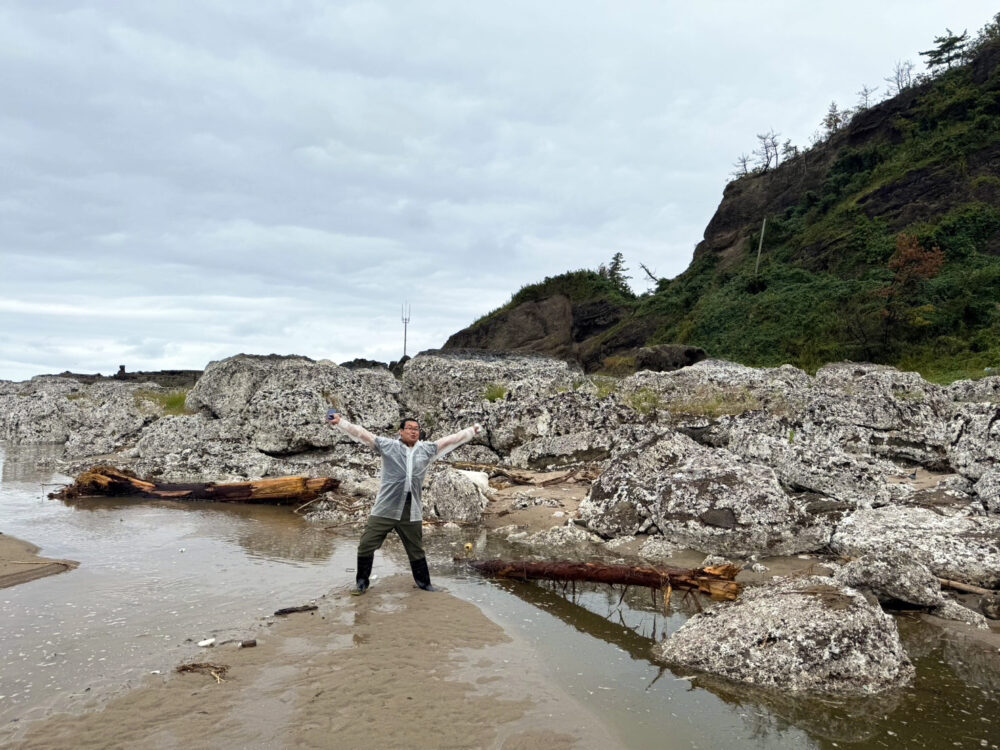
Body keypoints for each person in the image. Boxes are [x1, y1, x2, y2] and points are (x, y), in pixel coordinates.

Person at [327, 412, 481, 594]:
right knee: (366, 544)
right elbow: (362, 434)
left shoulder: (427, 450)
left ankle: (425, 584)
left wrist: (471, 431)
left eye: (417, 429)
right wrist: (341, 423)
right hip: (386, 506)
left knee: (416, 549)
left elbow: (450, 440)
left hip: (411, 509)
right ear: (401, 431)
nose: (414, 432)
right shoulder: (388, 446)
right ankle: (362, 583)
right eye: (409, 428)